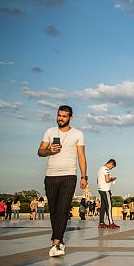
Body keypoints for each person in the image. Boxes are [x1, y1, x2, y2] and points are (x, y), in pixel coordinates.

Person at [38, 105, 87, 257]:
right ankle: (58, 240)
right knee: (53, 210)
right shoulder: (49, 131)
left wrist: (84, 177)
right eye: (59, 115)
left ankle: (56, 242)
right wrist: (49, 151)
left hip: (69, 176)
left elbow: (81, 156)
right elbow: (40, 152)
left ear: (70, 118)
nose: (61, 118)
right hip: (51, 176)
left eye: (64, 116)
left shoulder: (78, 134)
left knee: (63, 210)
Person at [97, 159, 119, 229]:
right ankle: (111, 222)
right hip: (105, 190)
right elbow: (107, 180)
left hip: (100, 189)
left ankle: (101, 222)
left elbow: (98, 180)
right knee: (109, 206)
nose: (111, 168)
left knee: (103, 207)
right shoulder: (106, 169)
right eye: (112, 167)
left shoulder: (100, 168)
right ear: (111, 164)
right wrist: (112, 179)